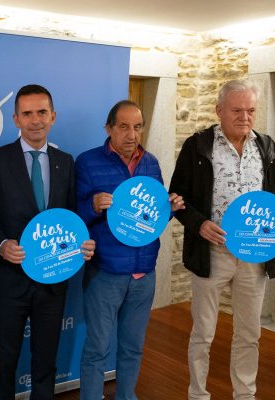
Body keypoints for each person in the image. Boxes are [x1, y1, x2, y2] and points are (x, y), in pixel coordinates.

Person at [169, 79, 275, 400]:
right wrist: (199, 224)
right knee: (203, 332)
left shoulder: (267, 147)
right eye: (237, 110)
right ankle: (198, 394)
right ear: (219, 110)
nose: (245, 117)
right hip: (212, 252)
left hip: (255, 255)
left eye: (251, 110)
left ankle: (245, 394)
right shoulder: (197, 146)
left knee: (249, 333)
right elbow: (176, 197)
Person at [0, 84, 96, 400]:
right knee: (5, 362)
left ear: (53, 116)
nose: (35, 120)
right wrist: (3, 244)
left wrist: (81, 244)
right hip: (8, 281)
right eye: (27, 113)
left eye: (42, 112)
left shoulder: (65, 162)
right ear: (16, 119)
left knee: (45, 362)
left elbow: (71, 216)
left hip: (52, 281)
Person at [76, 100, 185, 400]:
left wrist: (171, 207)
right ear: (108, 128)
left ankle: (126, 396)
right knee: (97, 349)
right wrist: (92, 205)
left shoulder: (150, 163)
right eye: (123, 127)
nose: (131, 134)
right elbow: (73, 216)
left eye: (137, 127)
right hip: (105, 272)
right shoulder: (87, 162)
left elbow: (152, 218)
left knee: (133, 347)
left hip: (144, 273)